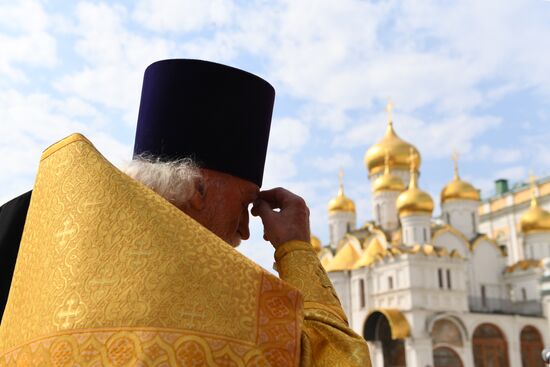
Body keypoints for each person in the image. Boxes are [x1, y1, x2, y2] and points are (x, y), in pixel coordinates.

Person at [0, 59, 371, 366]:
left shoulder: (34, 241)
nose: (245, 230)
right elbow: (337, 359)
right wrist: (296, 251)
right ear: (197, 189)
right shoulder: (220, 295)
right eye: (245, 204)